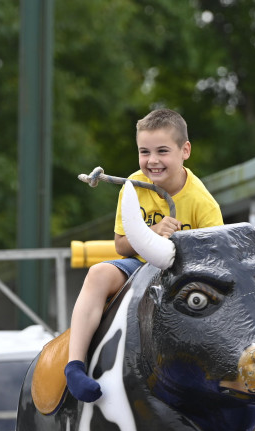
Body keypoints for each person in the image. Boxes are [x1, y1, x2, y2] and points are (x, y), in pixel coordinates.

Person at [65, 108, 224, 402]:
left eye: (162, 151)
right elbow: (121, 246)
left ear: (184, 150)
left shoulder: (204, 203)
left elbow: (215, 259)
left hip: (184, 276)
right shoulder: (132, 187)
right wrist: (152, 233)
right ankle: (75, 366)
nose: (152, 161)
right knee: (98, 273)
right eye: (144, 151)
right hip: (137, 266)